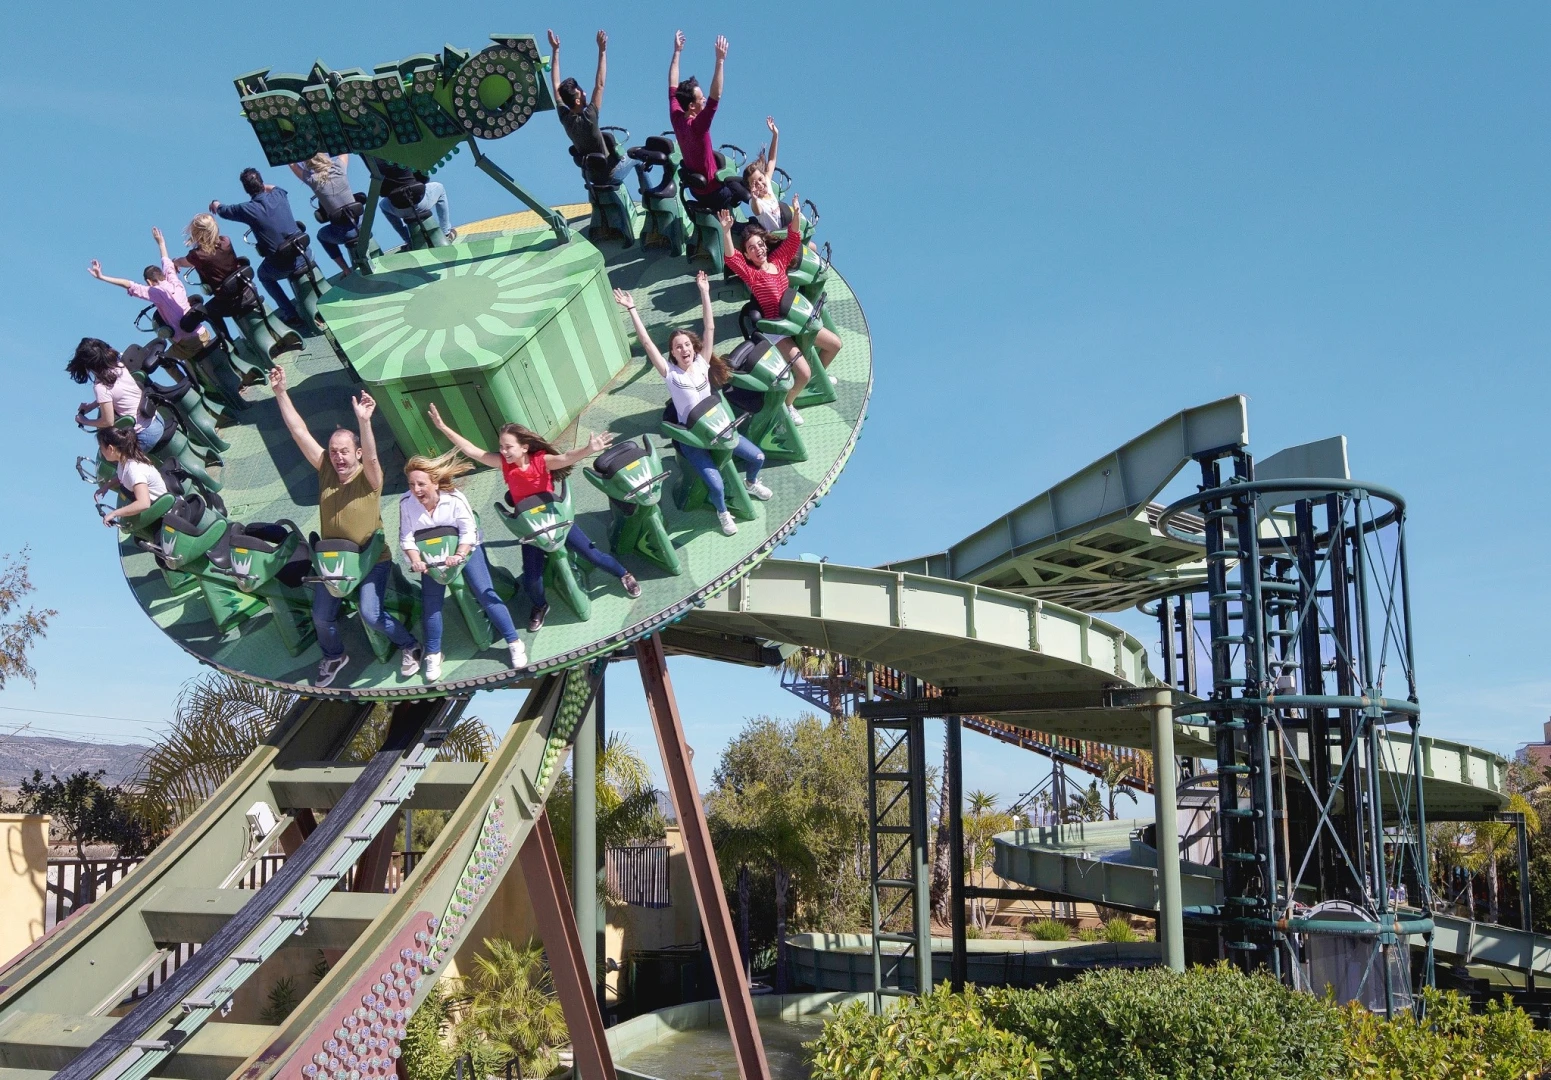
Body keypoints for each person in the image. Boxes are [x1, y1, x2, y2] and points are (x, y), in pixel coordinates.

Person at [267, 365, 422, 687]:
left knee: (371, 614)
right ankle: (335, 656)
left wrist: (364, 421)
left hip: (370, 560)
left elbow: (374, 458)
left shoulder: (369, 478)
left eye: (345, 452)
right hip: (334, 562)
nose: (338, 457)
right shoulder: (325, 468)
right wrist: (280, 392)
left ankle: (410, 645)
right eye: (334, 452)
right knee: (321, 616)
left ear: (357, 453)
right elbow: (299, 432)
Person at [426, 404, 641, 631]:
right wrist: (443, 427)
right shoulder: (504, 464)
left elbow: (566, 457)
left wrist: (589, 449)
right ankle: (540, 605)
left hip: (555, 519)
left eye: (508, 447)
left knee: (592, 554)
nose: (504, 451)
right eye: (501, 447)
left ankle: (624, 574)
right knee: (531, 579)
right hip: (530, 526)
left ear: (524, 447)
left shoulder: (541, 461)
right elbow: (473, 451)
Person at [613, 272, 770, 537]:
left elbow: (709, 328)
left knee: (757, 457)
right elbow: (647, 343)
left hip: (718, 427)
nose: (684, 349)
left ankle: (751, 483)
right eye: (678, 347)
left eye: (687, 345)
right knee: (716, 485)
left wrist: (705, 292)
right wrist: (632, 309)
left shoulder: (702, 363)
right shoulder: (670, 374)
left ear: (693, 348)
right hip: (693, 437)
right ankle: (723, 513)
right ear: (672, 353)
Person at [398, 452, 528, 681]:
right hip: (432, 556)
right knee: (431, 606)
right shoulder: (406, 503)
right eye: (411, 484)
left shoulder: (455, 499)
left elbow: (468, 531)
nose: (416, 490)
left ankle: (514, 641)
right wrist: (416, 560)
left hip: (465, 550)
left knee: (484, 593)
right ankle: (434, 654)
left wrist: (459, 554)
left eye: (421, 484)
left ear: (435, 483)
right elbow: (406, 538)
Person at [718, 201, 843, 423]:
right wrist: (726, 231)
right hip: (776, 329)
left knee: (834, 344)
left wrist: (796, 213)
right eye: (752, 248)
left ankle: (812, 380)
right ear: (747, 254)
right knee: (803, 372)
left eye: (760, 244)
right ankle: (789, 403)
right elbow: (732, 260)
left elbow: (794, 238)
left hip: (796, 319)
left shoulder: (779, 261)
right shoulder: (753, 275)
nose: (758, 249)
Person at [87, 227, 212, 361]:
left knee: (163, 360)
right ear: (162, 275)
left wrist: (102, 277)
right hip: (203, 333)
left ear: (149, 282)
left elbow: (129, 285)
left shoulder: (157, 293)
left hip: (189, 344)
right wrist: (161, 243)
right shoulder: (176, 283)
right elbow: (167, 263)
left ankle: (184, 375)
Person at [211, 169, 309, 329]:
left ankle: (291, 314)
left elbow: (223, 210)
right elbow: (275, 187)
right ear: (262, 183)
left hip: (282, 264)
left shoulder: (247, 209)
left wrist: (215, 203)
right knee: (306, 252)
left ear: (246, 189)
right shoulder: (279, 195)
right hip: (304, 254)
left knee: (264, 275)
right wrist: (262, 185)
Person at [668, 31, 748, 211]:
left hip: (696, 191)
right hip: (715, 194)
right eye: (700, 98)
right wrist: (720, 61)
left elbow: (672, 85)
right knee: (746, 188)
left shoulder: (676, 117)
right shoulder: (698, 126)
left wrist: (677, 52)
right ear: (691, 105)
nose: (703, 99)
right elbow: (715, 97)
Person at [548, 29, 632, 183]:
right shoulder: (589, 117)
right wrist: (602, 51)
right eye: (581, 92)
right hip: (611, 174)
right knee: (637, 155)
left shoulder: (565, 118)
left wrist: (555, 50)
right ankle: (647, 191)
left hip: (591, 177)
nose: (585, 92)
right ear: (577, 101)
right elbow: (600, 85)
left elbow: (555, 85)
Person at [67, 337, 166, 451]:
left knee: (112, 458)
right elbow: (116, 393)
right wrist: (91, 406)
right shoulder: (118, 364)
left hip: (146, 434)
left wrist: (84, 421)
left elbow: (107, 422)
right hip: (157, 419)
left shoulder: (101, 387)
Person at [289, 152, 359, 273]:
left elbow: (293, 166)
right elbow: (343, 152)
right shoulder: (339, 168)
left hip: (344, 233)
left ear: (308, 165)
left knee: (321, 236)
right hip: (361, 224)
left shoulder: (313, 180)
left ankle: (345, 269)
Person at [95, 426, 167, 528]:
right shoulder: (123, 460)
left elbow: (144, 503)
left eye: (101, 447)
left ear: (110, 449)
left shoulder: (134, 470)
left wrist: (114, 513)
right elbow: (121, 477)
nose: (101, 451)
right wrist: (106, 486)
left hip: (161, 514)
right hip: (151, 509)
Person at [375, 162, 455, 245]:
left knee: (382, 205)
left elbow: (382, 192)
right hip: (420, 202)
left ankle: (409, 241)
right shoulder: (402, 156)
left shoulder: (375, 163)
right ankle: (446, 232)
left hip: (400, 209)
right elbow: (424, 177)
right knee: (439, 187)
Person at [744, 117, 788, 230]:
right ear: (750, 187)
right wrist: (754, 198)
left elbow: (772, 160)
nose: (759, 184)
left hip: (784, 231)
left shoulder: (767, 183)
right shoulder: (756, 201)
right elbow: (756, 210)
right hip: (772, 237)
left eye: (760, 179)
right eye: (754, 183)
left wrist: (775, 135)